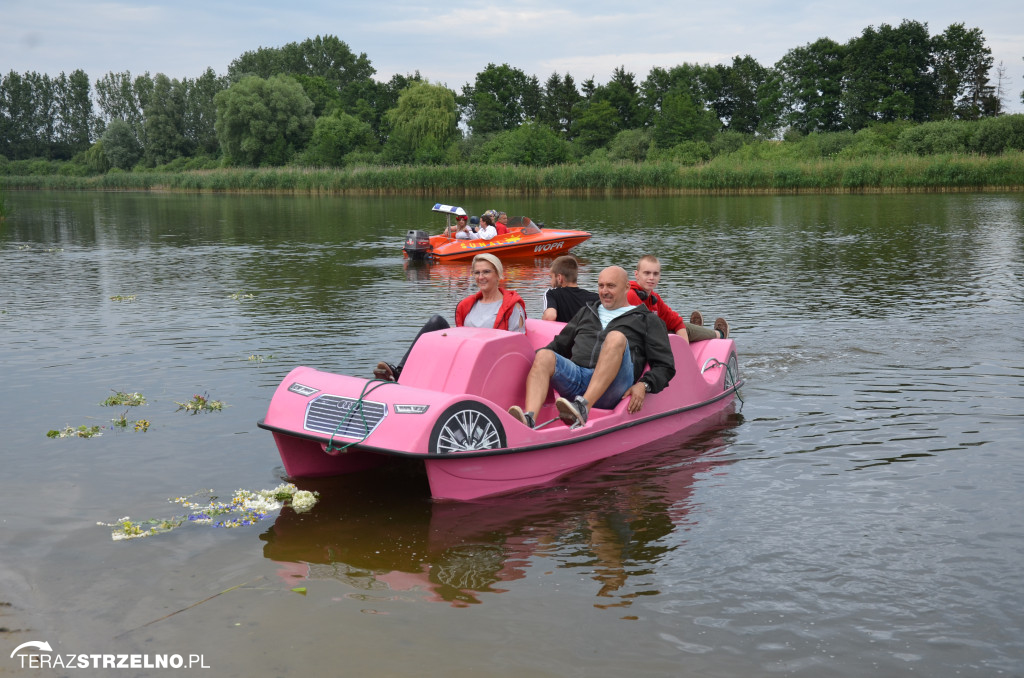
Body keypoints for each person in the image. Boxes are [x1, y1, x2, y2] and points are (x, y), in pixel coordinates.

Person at [507, 266, 675, 430]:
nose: (604, 291)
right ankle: (529, 421)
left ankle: (583, 408)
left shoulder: (647, 320)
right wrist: (522, 363)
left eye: (611, 286)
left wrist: (644, 385)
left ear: (626, 287)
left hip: (614, 388)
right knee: (545, 355)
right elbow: (558, 346)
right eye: (601, 286)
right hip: (578, 380)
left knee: (615, 337)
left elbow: (665, 366)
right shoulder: (586, 312)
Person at [374, 253, 526, 381]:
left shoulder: (513, 306)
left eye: (486, 272)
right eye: (477, 273)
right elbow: (463, 333)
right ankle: (401, 372)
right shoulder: (467, 305)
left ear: (498, 275)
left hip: (492, 362)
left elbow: (519, 346)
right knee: (437, 322)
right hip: (465, 357)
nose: (481, 277)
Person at [627, 254, 729, 342]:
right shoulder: (630, 295)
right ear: (636, 274)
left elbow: (675, 321)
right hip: (642, 344)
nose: (651, 278)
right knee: (685, 329)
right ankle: (720, 334)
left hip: (653, 337)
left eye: (655, 274)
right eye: (647, 273)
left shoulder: (654, 297)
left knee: (680, 327)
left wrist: (685, 351)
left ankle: (698, 331)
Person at [542, 255, 599, 322]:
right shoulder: (595, 297)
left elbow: (550, 316)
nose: (550, 282)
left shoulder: (552, 294)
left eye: (551, 277)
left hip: (562, 332)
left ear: (559, 278)